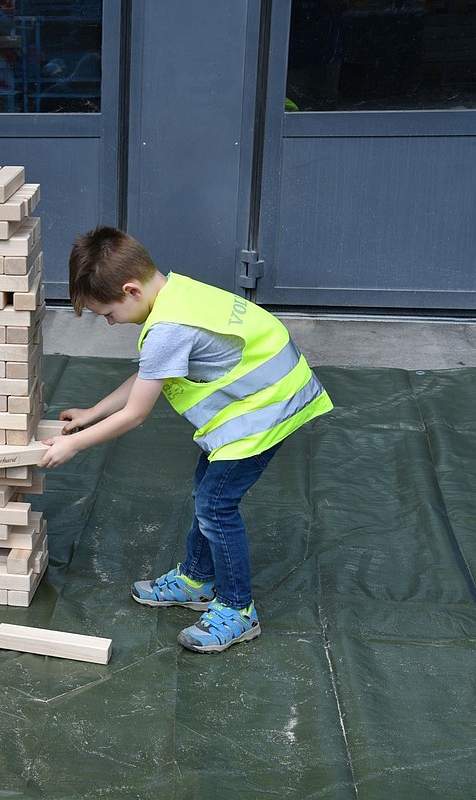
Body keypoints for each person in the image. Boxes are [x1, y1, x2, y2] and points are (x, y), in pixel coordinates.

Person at [39, 226, 333, 654]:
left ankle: (237, 609)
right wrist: (92, 413)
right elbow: (150, 372)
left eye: (107, 313)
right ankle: (197, 579)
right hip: (260, 401)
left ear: (131, 290)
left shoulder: (167, 329)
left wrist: (74, 444)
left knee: (216, 504)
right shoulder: (177, 292)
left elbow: (137, 414)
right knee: (206, 494)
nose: (110, 323)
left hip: (263, 414)